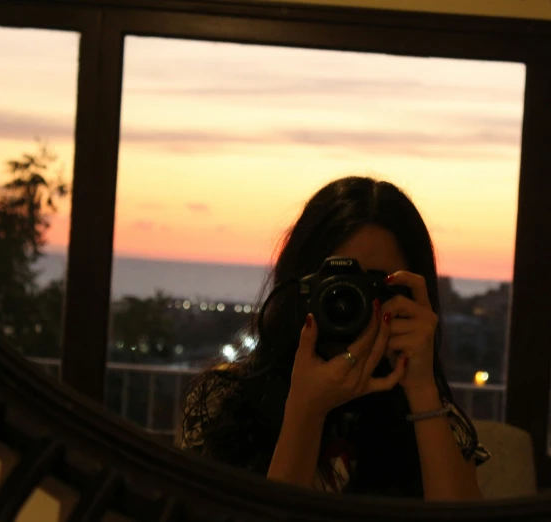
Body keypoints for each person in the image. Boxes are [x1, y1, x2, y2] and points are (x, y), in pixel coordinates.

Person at [181, 176, 489, 500]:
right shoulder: (223, 403)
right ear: (298, 287)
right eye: (334, 283)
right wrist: (305, 410)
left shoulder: (432, 415)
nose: (348, 302)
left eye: (373, 284)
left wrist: (423, 389)